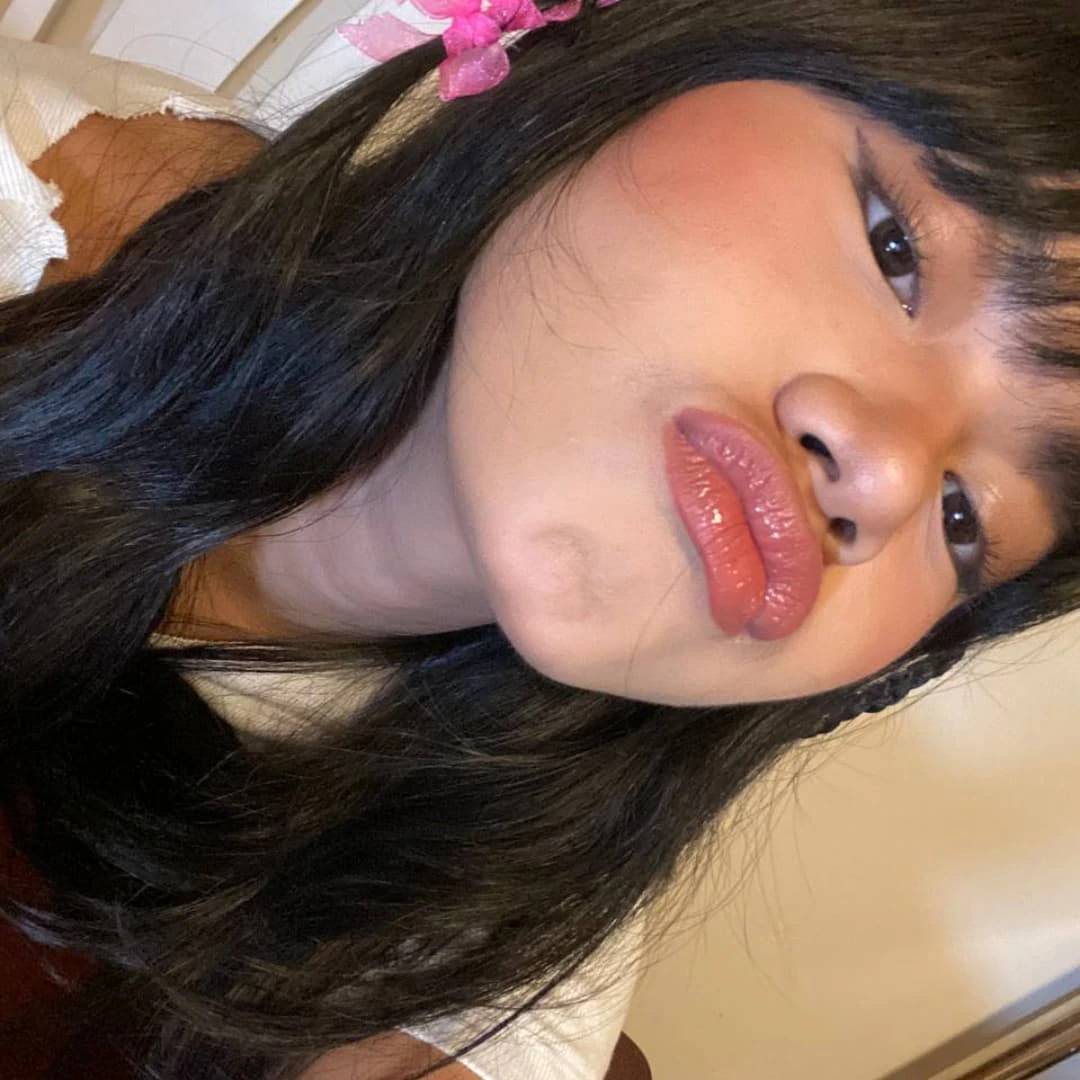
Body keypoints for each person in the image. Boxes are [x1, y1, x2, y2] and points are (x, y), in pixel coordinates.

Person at [0, 1, 1077, 1078]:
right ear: (656, 60)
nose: (888, 479)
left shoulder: (452, 988)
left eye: (963, 520)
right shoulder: (44, 177)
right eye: (897, 250)